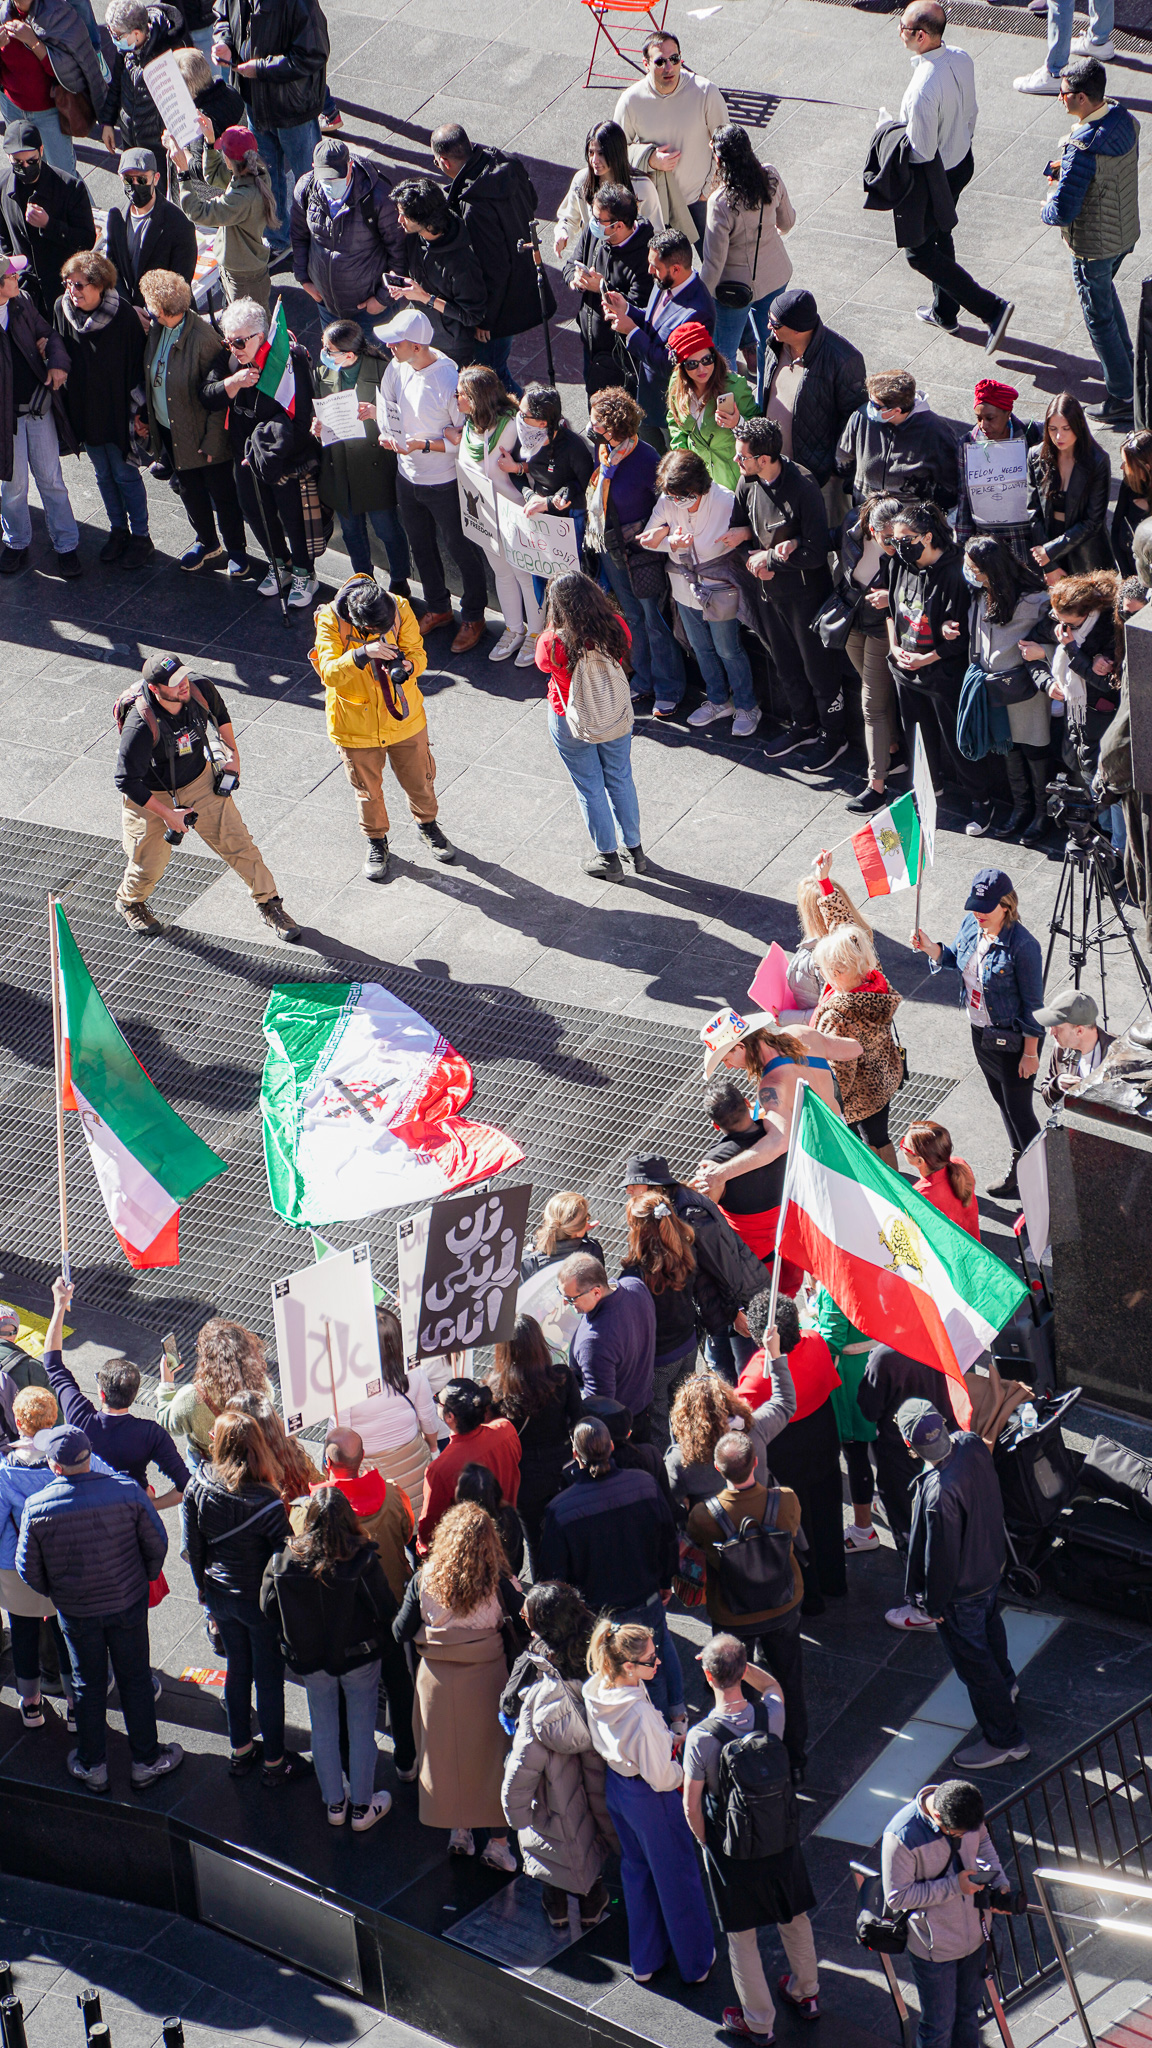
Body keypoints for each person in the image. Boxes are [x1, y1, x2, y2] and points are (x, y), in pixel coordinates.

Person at [17, 1420, 183, 1792]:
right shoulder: (127, 1491)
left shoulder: (37, 1507)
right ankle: (146, 1761)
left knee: (87, 1684)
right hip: (127, 1602)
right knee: (135, 1679)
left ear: (54, 1466)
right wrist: (141, 1579)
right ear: (89, 1457)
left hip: (77, 1612)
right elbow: (157, 1543)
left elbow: (28, 1568)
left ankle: (93, 1765)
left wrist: (57, 1593)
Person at [684, 1634, 820, 2045]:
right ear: (743, 1671)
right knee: (794, 1917)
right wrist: (741, 1665)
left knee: (742, 1938)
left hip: (732, 1849)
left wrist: (707, 1845)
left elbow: (691, 1806)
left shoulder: (701, 1737)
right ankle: (806, 1992)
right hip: (780, 1836)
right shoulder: (770, 1713)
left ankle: (759, 2022)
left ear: (708, 1676)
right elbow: (773, 1684)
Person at [113, 650, 301, 941]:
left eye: (183, 676)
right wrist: (168, 815)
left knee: (240, 845)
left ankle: (269, 904)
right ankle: (130, 901)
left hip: (199, 780)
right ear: (155, 689)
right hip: (152, 795)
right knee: (149, 862)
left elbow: (220, 715)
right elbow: (126, 780)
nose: (183, 684)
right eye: (174, 683)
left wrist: (232, 754)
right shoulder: (140, 724)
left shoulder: (199, 688)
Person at [897, 1399, 1028, 1768]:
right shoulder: (970, 1443)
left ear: (909, 1445)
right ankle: (1007, 1685)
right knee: (991, 1631)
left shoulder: (938, 1493)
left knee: (976, 1668)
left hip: (961, 1593)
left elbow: (940, 1559)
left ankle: (1006, 1740)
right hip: (990, 1568)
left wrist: (933, 1605)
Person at [585, 1614, 715, 1987]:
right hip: (651, 1797)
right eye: (650, 1659)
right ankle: (696, 1961)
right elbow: (661, 1776)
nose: (658, 1663)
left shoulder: (597, 1686)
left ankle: (645, 1959)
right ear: (628, 1666)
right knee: (679, 1877)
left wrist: (664, 1740)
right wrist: (685, 1773)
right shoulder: (640, 1712)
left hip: (619, 1789)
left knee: (637, 1871)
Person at [184, 1409, 312, 1783]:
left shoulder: (198, 1483)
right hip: (258, 1602)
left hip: (219, 1593)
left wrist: (203, 1588)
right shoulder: (267, 1500)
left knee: (237, 1669)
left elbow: (194, 1546)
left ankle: (240, 1751)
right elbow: (284, 1557)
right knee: (268, 1678)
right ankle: (274, 1761)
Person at [261, 1485, 397, 1829]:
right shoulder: (362, 1559)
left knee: (322, 1727)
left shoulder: (283, 1558)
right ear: (349, 1518)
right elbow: (385, 1608)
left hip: (310, 1658)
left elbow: (267, 1605)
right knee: (361, 1729)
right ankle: (362, 1807)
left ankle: (335, 1804)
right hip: (358, 1658)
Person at [393, 1499, 519, 1867]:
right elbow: (524, 1626)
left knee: (447, 1759)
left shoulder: (424, 1579)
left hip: (437, 1684)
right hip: (488, 1682)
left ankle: (459, 1833)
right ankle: (498, 1844)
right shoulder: (499, 1583)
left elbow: (400, 1630)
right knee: (493, 1763)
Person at [538, 1418, 683, 1729]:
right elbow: (667, 1538)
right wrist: (665, 1580)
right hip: (646, 1597)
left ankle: (651, 1732)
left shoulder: (560, 1510)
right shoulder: (644, 1484)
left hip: (599, 1615)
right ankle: (669, 1727)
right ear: (612, 1446)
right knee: (655, 1664)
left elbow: (556, 1576)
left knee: (617, 1681)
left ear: (575, 1455)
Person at [310, 570, 454, 883]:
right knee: (368, 791)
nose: (385, 632)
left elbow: (418, 653)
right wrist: (362, 653)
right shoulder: (330, 620)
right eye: (378, 631)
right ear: (357, 621)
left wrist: (408, 666)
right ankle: (376, 841)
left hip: (403, 718)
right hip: (355, 725)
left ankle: (427, 825)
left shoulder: (398, 607)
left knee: (420, 779)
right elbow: (329, 674)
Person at [913, 866, 1044, 1197]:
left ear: (1006, 905)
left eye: (985, 908)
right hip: (982, 1034)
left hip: (1014, 1041)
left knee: (1020, 1112)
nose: (978, 913)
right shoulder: (972, 925)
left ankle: (1042, 1182)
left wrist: (1030, 1053)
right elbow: (954, 958)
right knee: (1003, 1103)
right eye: (975, 906)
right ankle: (1020, 1167)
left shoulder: (1023, 946)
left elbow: (1033, 1008)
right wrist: (931, 948)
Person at [687, 1428, 809, 1782]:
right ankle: (794, 1759)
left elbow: (696, 1545)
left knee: (732, 1683)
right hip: (783, 1604)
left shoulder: (703, 1515)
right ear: (755, 1463)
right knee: (788, 1680)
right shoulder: (784, 1500)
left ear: (717, 1468)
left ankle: (741, 1755)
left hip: (732, 1612)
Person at [729, 414, 847, 766]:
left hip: (806, 596)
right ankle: (804, 724)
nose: (737, 460)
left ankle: (834, 736)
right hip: (768, 595)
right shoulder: (747, 482)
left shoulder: (803, 487)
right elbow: (738, 532)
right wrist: (753, 559)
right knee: (785, 666)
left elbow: (816, 551)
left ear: (764, 459)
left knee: (819, 669)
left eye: (742, 456)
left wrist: (770, 561)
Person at [897, 1, 1011, 351]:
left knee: (918, 252)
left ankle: (991, 308)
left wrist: (890, 137)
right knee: (940, 232)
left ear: (920, 35)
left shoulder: (922, 90)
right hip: (962, 161)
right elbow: (971, 111)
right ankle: (944, 312)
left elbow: (920, 151)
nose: (898, 32)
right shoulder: (961, 57)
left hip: (936, 176)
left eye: (902, 27)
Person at [374, 305, 487, 655]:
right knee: (420, 544)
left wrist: (422, 444)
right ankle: (438, 607)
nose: (390, 348)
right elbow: (386, 405)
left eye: (396, 343)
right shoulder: (397, 365)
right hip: (407, 476)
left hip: (444, 481)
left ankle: (474, 616)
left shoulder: (448, 380)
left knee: (460, 548)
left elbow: (465, 440)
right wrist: (387, 432)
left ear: (417, 346)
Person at [501, 1581, 613, 1932]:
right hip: (596, 1766)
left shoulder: (535, 1668)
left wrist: (516, 1813)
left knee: (556, 1833)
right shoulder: (599, 1653)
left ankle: (557, 1906)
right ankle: (593, 1901)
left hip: (550, 1777)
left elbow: (510, 1710)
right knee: (590, 1829)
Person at [1037, 58, 1139, 428]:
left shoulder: (1082, 148)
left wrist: (1047, 206)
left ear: (1081, 97)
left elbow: (1063, 211)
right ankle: (1133, 375)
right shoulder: (1124, 120)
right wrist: (1070, 169)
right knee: (1106, 301)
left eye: (1063, 93)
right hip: (1122, 233)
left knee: (1099, 318)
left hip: (1093, 245)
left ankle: (1123, 396)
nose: (1059, 98)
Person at [201, 293, 319, 609]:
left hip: (281, 454)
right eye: (229, 342)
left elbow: (302, 416)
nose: (234, 349)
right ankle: (279, 563)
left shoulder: (289, 359)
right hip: (244, 453)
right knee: (254, 510)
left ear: (261, 336)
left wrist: (277, 452)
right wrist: (234, 383)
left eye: (240, 342)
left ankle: (304, 572)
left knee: (291, 514)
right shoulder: (231, 361)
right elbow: (208, 395)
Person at [137, 267, 250, 576]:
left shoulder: (204, 339)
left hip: (203, 437)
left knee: (222, 496)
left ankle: (237, 550)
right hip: (171, 431)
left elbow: (219, 396)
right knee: (189, 492)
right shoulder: (159, 328)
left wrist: (213, 441)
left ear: (161, 308)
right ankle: (207, 542)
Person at [639, 446, 758, 736]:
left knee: (728, 648)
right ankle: (718, 700)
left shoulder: (725, 501)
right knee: (701, 648)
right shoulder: (668, 501)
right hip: (684, 585)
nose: (678, 502)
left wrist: (742, 534)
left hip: (719, 586)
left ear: (699, 485)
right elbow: (647, 538)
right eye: (672, 496)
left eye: (683, 496)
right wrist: (670, 541)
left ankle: (747, 705)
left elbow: (752, 533)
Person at [534, 569, 645, 882]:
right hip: (614, 713)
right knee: (620, 777)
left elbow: (543, 666)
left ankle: (608, 858)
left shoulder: (551, 643)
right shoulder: (617, 626)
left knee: (589, 786)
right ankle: (634, 849)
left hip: (571, 720)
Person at [883, 1778, 1011, 2048]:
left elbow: (984, 1842)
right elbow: (897, 1898)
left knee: (968, 2016)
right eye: (957, 1834)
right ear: (938, 1817)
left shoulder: (967, 1808)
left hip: (976, 1938)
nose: (963, 1838)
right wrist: (955, 1887)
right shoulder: (902, 1835)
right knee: (937, 2027)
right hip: (934, 1949)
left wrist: (999, 1881)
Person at [584, 383, 687, 714]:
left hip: (642, 552)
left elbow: (666, 506)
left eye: (597, 421)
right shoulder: (604, 452)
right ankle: (643, 680)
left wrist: (653, 536)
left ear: (614, 427)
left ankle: (669, 689)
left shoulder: (646, 458)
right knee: (634, 617)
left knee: (654, 619)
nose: (591, 426)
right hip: (610, 547)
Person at [738, 1294, 845, 1609]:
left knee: (798, 1527)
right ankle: (835, 1581)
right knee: (828, 1517)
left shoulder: (757, 1376)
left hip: (786, 1454)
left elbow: (743, 1421)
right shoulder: (816, 1342)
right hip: (823, 1441)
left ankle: (810, 1597)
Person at [431, 123, 554, 395]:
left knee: (493, 377)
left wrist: (485, 320)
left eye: (435, 161)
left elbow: (494, 269)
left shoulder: (473, 208)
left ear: (444, 161)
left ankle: (532, 415)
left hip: (498, 308)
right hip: (521, 280)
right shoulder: (507, 164)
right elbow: (532, 201)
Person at [54, 249, 152, 570]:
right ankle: (118, 530)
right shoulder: (61, 309)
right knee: (103, 475)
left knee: (125, 474)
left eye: (80, 285)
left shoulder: (123, 317)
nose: (73, 291)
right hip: (86, 411)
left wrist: (141, 414)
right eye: (69, 283)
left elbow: (139, 368)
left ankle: (141, 536)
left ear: (100, 285)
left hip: (119, 411)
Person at [887, 498, 983, 817]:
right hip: (906, 670)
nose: (899, 547)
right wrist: (894, 647)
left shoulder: (955, 573)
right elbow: (890, 612)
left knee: (957, 741)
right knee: (918, 739)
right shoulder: (899, 564)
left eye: (905, 540)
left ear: (927, 537)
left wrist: (925, 659)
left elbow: (961, 640)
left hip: (942, 674)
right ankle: (929, 790)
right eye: (895, 540)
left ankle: (980, 801)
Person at [210, 0, 327, 260]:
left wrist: (262, 69)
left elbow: (314, 53)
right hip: (255, 101)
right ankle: (277, 238)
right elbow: (222, 15)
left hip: (293, 108)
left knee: (310, 178)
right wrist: (225, 42)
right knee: (265, 175)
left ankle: (322, 239)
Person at [44, 1300, 188, 1508]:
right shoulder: (151, 1433)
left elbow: (53, 1365)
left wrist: (59, 1304)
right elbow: (186, 1486)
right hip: (131, 1513)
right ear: (134, 1394)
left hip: (89, 1508)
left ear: (101, 1393)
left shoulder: (80, 1418)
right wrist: (149, 1505)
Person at [962, 534, 1051, 840]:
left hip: (1026, 688)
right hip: (994, 689)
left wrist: (1043, 653)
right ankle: (1021, 808)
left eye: (976, 569)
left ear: (993, 568)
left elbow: (1059, 642)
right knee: (1008, 747)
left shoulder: (1036, 599)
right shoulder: (980, 593)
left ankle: (1042, 814)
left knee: (1035, 748)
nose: (972, 574)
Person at [700, 124, 793, 408]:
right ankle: (766, 408)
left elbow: (714, 262)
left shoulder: (721, 202)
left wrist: (699, 296)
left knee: (724, 354)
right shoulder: (770, 177)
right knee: (770, 346)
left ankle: (729, 410)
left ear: (719, 159)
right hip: (775, 275)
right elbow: (787, 222)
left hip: (733, 290)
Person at [312, 319, 410, 590]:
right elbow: (316, 409)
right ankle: (362, 579)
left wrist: (377, 413)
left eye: (329, 350)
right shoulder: (322, 372)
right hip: (339, 463)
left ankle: (400, 579)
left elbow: (405, 416)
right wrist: (316, 426)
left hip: (373, 465)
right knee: (351, 532)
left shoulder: (383, 370)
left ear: (349, 354)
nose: (324, 354)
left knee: (386, 529)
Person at [0, 248, 79, 578]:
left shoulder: (22, 302)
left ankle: (67, 546)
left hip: (37, 408)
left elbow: (48, 334)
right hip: (6, 420)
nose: (17, 279)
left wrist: (57, 362)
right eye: (11, 276)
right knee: (12, 485)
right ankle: (16, 542)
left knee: (51, 480)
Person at [0, 1382, 75, 1728]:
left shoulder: (4, 1472)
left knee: (22, 1631)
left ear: (17, 1422)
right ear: (53, 1419)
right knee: (66, 1633)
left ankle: (30, 1704)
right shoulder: (68, 1463)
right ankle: (75, 1705)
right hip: (62, 1564)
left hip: (16, 1565)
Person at [455, 360, 541, 661]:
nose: (456, 399)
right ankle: (514, 629)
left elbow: (539, 463)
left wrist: (518, 467)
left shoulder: (512, 425)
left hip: (514, 512)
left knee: (524, 574)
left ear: (477, 397)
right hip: (483, 514)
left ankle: (536, 634)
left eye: (461, 394)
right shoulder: (470, 425)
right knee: (501, 572)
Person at [603, 225, 715, 446]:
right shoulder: (665, 282)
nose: (649, 271)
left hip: (669, 410)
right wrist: (627, 309)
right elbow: (655, 322)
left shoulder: (697, 313)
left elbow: (670, 365)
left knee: (668, 460)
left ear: (676, 269)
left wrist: (631, 331)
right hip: (647, 399)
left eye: (655, 267)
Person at [613, 29, 728, 242]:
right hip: (658, 205)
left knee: (715, 262)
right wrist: (650, 158)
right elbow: (615, 152)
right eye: (660, 62)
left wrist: (708, 190)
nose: (669, 67)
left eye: (674, 59)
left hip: (700, 200)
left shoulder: (706, 92)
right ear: (646, 64)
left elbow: (725, 145)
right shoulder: (630, 101)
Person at [487, 1314, 582, 1569]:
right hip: (562, 1469)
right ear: (539, 1342)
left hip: (523, 1477)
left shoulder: (496, 1391)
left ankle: (543, 1587)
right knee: (570, 1529)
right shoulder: (562, 1377)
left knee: (535, 1542)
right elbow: (579, 1420)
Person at [858, 1341, 959, 1578]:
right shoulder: (937, 1335)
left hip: (901, 1454)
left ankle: (921, 1587)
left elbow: (870, 1409)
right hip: (943, 1440)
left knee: (908, 1522)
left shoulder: (884, 1356)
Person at [498, 382, 594, 620]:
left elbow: (585, 488)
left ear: (542, 423)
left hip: (569, 523)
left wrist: (550, 502)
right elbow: (518, 474)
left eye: (523, 414)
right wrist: (530, 495)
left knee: (570, 586)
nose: (519, 418)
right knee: (542, 581)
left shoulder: (573, 447)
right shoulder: (524, 438)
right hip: (540, 520)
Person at [762, 287, 868, 502]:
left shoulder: (844, 359)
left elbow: (854, 422)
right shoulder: (775, 345)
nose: (768, 327)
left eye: (775, 323)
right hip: (775, 468)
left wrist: (833, 468)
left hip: (819, 479)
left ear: (797, 329)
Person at [811, 922, 903, 1164]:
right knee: (880, 1139)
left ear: (837, 972)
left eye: (821, 968)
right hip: (881, 1081)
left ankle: (874, 1182)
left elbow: (839, 1073)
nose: (821, 973)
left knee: (856, 1151)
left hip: (855, 1098)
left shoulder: (838, 1017)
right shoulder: (876, 984)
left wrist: (827, 1105)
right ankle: (894, 1180)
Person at [290, 136, 402, 333]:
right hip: (327, 305)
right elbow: (299, 236)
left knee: (376, 353)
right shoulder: (305, 189)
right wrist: (304, 280)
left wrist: (382, 299)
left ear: (350, 166)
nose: (331, 184)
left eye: (337, 177)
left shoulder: (379, 198)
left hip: (370, 311)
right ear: (314, 168)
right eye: (326, 178)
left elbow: (400, 253)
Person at [839, 493, 905, 814]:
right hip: (853, 618)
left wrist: (890, 597)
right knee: (873, 690)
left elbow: (918, 586)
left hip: (883, 626)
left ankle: (876, 786)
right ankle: (892, 750)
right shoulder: (852, 527)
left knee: (871, 705)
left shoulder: (907, 543)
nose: (894, 544)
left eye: (898, 537)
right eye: (887, 538)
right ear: (871, 529)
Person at [701, 1078, 797, 1299]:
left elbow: (707, 1213)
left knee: (768, 1312)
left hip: (754, 1261)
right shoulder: (780, 1135)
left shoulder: (713, 1165)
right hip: (793, 1244)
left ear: (715, 1125)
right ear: (747, 1102)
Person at [666, 1361, 796, 1519]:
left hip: (714, 1529)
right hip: (766, 1520)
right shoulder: (753, 1429)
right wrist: (775, 1356)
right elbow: (785, 1402)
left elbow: (671, 1500)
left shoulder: (681, 1459)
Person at [171, 117, 274, 313]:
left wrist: (183, 173)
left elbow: (197, 211)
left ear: (229, 160)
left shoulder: (241, 199)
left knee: (251, 326)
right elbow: (213, 175)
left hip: (243, 277)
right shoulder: (252, 173)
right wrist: (209, 142)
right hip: (240, 270)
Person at [620, 1191, 698, 1449]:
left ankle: (666, 1464)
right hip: (688, 1345)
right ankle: (693, 1454)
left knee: (659, 1421)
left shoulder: (635, 1275)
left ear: (638, 1231)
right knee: (686, 1410)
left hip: (659, 1360)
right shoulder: (685, 1250)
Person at [563, 181, 653, 400]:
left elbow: (638, 308)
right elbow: (570, 265)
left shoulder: (647, 256)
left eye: (598, 220)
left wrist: (602, 288)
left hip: (621, 356)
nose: (593, 223)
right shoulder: (594, 232)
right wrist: (575, 278)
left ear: (619, 225)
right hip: (590, 345)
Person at [387, 175, 486, 369]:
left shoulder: (461, 261)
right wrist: (402, 283)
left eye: (404, 215)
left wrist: (426, 298)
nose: (399, 220)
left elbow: (472, 315)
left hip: (450, 348)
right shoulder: (414, 236)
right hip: (419, 334)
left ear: (423, 218)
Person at [309, 1426, 413, 1607]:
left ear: (327, 1461)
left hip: (349, 1608)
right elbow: (407, 1534)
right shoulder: (392, 1492)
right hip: (396, 1593)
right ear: (363, 1455)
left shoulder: (314, 1508)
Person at [0, 118, 93, 319]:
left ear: (41, 151)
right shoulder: (3, 185)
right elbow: (3, 233)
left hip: (62, 288)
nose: (26, 167)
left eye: (32, 161)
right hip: (25, 288)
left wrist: (49, 225)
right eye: (18, 162)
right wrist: (10, 269)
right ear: (8, 157)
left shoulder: (70, 188)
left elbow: (86, 239)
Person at [0, 0, 105, 176]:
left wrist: (33, 42)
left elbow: (68, 71)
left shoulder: (58, 14)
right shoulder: (3, 15)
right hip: (12, 108)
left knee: (64, 175)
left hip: (48, 113)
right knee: (29, 173)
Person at [343, 1305, 438, 1499]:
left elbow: (340, 1438)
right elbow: (428, 1419)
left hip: (371, 1476)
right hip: (416, 1465)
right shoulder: (415, 1372)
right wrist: (434, 1449)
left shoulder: (346, 1385)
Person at [814, 1286, 881, 1555]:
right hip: (879, 1363)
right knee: (881, 1444)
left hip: (851, 1377)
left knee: (856, 1454)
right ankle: (884, 1499)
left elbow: (831, 1341)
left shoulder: (836, 1282)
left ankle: (864, 1531)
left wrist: (807, 1328)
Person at [417, 1378, 521, 1551]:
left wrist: (423, 1549)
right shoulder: (506, 1429)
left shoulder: (439, 1470)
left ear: (450, 1417)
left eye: (438, 1401)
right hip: (510, 1535)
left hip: (473, 1550)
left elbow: (430, 1528)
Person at [559, 1252, 656, 1435]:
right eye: (562, 1294)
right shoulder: (635, 1285)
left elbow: (599, 1408)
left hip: (619, 1429)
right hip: (643, 1405)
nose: (565, 1303)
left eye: (571, 1299)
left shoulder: (594, 1342)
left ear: (596, 1292)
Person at [155, 1315, 271, 1466]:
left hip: (207, 1462)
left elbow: (165, 1423)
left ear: (206, 1359)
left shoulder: (192, 1397)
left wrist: (166, 1384)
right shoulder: (261, 1385)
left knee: (188, 1477)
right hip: (251, 1459)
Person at [838, 370, 960, 509]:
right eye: (869, 400)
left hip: (909, 518)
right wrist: (856, 489)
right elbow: (843, 458)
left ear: (897, 410)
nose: (869, 407)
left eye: (876, 405)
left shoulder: (937, 431)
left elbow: (951, 484)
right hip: (867, 511)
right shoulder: (861, 417)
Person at [954, 378, 1042, 562]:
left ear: (1007, 413)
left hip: (1028, 537)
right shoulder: (968, 443)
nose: (983, 425)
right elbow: (964, 496)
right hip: (989, 540)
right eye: (978, 418)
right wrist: (962, 545)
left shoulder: (1031, 434)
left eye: (990, 418)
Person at [1026, 391, 1113, 577]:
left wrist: (1049, 552)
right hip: (1048, 544)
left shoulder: (1097, 461)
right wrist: (1048, 564)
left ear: (1078, 425)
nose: (1059, 436)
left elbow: (1092, 522)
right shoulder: (1036, 455)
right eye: (1053, 429)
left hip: (1085, 551)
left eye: (1066, 428)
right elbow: (1033, 511)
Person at [99, 0, 185, 184]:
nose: (114, 39)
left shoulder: (168, 53)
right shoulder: (126, 49)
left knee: (157, 193)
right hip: (130, 139)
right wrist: (108, 122)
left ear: (136, 33)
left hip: (158, 148)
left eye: (117, 35)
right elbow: (116, 85)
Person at [666, 320, 757, 490]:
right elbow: (675, 421)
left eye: (707, 360)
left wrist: (738, 423)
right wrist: (684, 457)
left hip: (736, 480)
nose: (702, 369)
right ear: (681, 368)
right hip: (700, 481)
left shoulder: (735, 386)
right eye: (692, 364)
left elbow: (760, 429)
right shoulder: (676, 385)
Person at [555, 119, 663, 261]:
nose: (594, 160)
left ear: (616, 153)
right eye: (591, 152)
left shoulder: (642, 186)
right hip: (595, 258)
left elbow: (656, 233)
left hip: (632, 262)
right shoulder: (581, 181)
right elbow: (568, 218)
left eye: (601, 153)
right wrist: (562, 233)